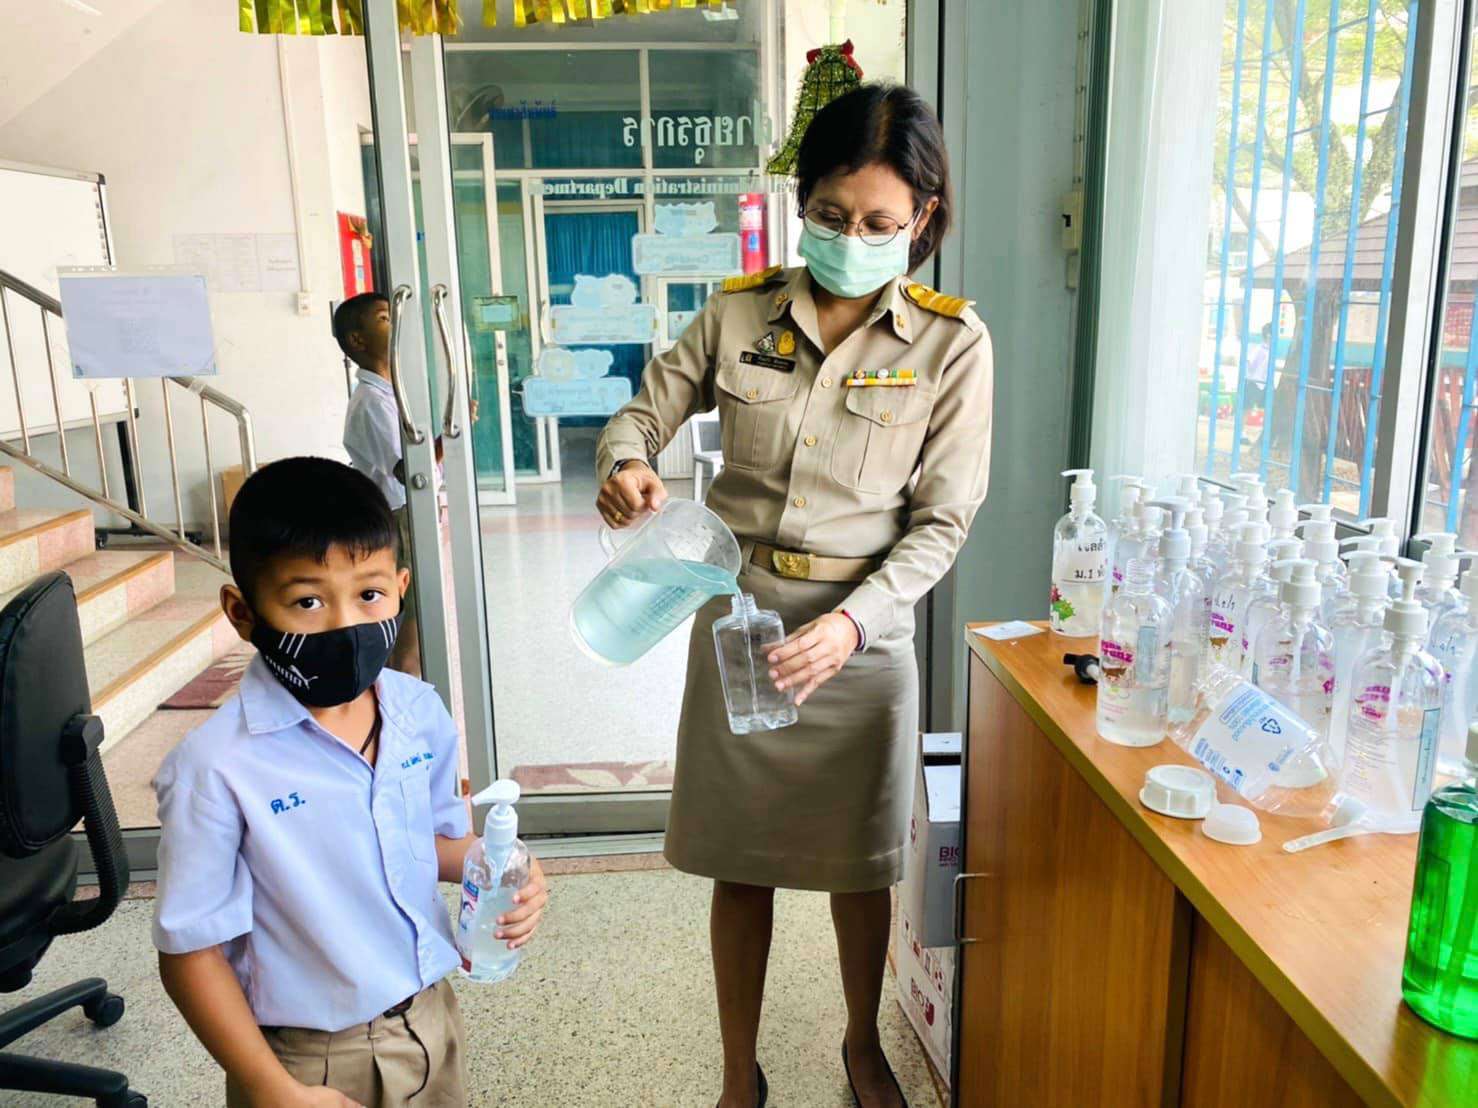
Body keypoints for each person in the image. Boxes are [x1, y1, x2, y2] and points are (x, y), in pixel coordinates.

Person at [596, 84, 992, 1108]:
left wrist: (853, 625)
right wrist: (626, 462)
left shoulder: (950, 344)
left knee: (861, 870)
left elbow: (942, 523)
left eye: (877, 223)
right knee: (741, 864)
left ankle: (861, 1044)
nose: (850, 239)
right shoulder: (739, 312)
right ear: (800, 202)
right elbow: (642, 414)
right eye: (828, 214)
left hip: (863, 640)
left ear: (922, 219)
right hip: (742, 625)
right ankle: (740, 1071)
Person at [152, 456, 548, 1108]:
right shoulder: (215, 768)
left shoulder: (418, 711)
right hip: (306, 1059)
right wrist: (271, 1088)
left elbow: (433, 842)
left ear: (401, 586)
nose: (345, 624)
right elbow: (191, 954)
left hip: (430, 1017)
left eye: (369, 594)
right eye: (307, 601)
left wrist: (501, 865)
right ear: (243, 612)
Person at [336, 294, 475, 677]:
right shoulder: (371, 402)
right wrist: (449, 436)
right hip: (399, 517)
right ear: (358, 340)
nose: (396, 326)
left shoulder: (388, 392)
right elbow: (409, 472)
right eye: (385, 318)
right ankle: (406, 692)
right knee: (412, 624)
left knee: (418, 617)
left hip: (406, 514)